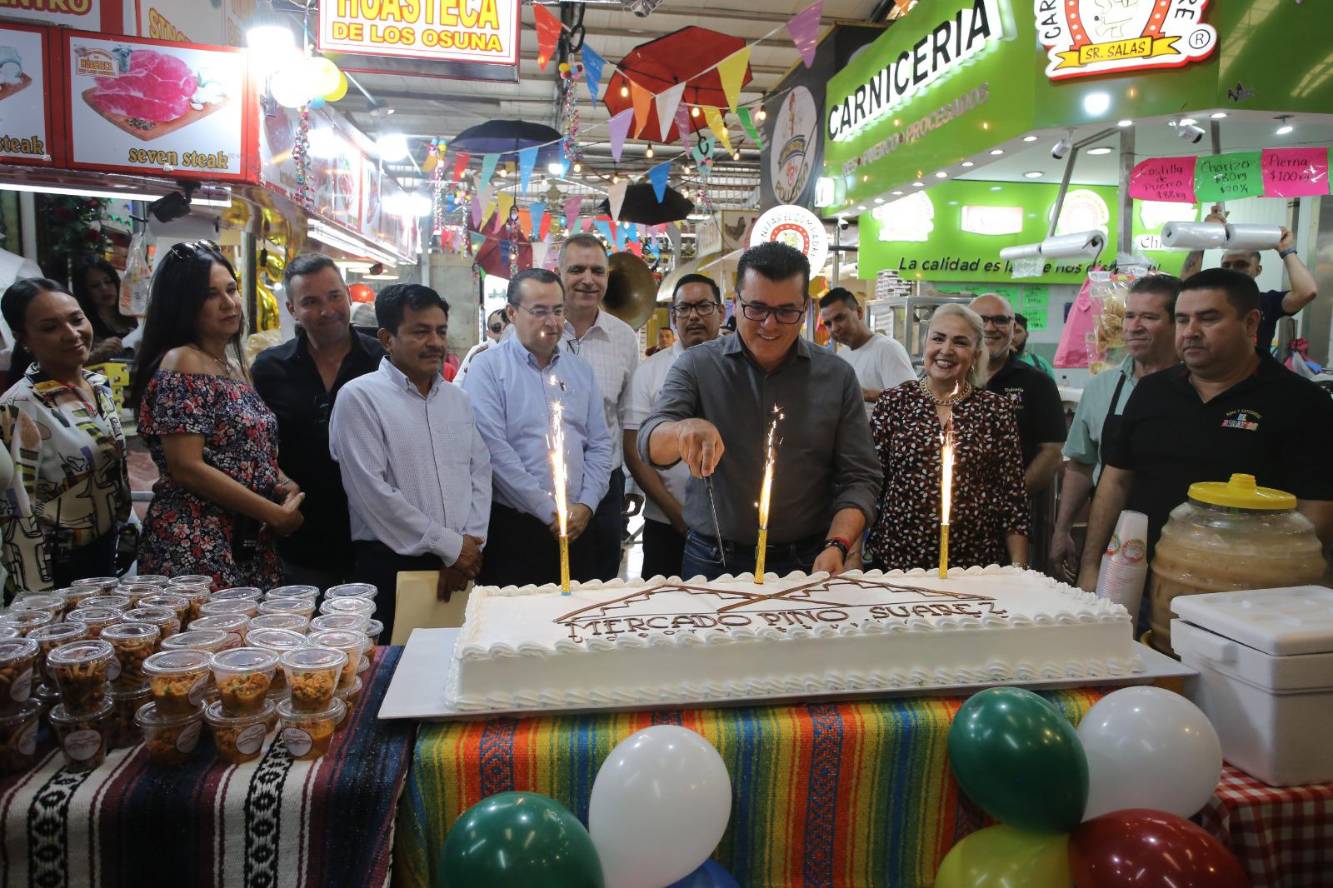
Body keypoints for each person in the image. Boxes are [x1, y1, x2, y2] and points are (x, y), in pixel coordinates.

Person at [1077, 268, 1333, 595]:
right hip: (1140, 583)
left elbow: (1316, 515)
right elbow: (1115, 482)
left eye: (1208, 319)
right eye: (1182, 320)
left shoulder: (1301, 402)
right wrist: (1092, 566)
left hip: (1244, 597)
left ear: (1251, 323)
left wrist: (1278, 587)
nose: (1191, 331)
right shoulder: (1152, 391)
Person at [639, 242, 882, 580]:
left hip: (810, 558)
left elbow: (861, 476)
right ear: (734, 305)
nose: (770, 324)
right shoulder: (697, 365)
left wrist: (839, 544)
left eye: (787, 312)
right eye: (757, 308)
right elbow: (649, 440)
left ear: (805, 310)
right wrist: (682, 431)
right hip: (714, 560)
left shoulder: (836, 376)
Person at [130, 241, 304, 589]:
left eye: (231, 290)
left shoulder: (233, 366)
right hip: (198, 541)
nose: (229, 303)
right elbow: (187, 468)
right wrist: (272, 514)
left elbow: (247, 447)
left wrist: (282, 481)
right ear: (183, 304)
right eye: (210, 295)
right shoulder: (182, 361)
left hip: (246, 535)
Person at [330, 284, 490, 636]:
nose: (435, 342)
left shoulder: (456, 400)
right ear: (387, 338)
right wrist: (451, 547)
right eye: (421, 331)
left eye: (441, 331)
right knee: (393, 674)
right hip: (392, 563)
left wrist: (469, 545)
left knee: (456, 668)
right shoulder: (359, 399)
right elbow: (372, 494)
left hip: (463, 563)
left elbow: (479, 472)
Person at [463, 268, 611, 587]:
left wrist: (586, 504)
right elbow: (496, 454)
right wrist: (550, 511)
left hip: (578, 526)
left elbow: (600, 444)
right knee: (516, 630)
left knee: (576, 626)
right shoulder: (488, 369)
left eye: (558, 311)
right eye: (540, 311)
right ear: (512, 313)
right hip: (518, 529)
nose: (553, 322)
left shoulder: (580, 372)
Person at [251, 253, 384, 588]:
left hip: (376, 536)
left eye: (334, 296)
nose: (327, 311)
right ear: (292, 309)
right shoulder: (270, 369)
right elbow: (256, 447)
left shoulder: (383, 362)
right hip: (299, 539)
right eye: (311, 301)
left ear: (349, 296)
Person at [868, 304, 1028, 571]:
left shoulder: (995, 410)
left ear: (976, 354)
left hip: (975, 567)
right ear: (925, 343)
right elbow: (870, 484)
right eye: (938, 338)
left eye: (960, 342)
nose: (946, 350)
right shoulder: (895, 402)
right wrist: (850, 553)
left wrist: (1020, 568)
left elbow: (1012, 498)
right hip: (898, 564)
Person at [0, 278, 130, 594]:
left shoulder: (97, 386)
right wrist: (38, 600)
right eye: (50, 327)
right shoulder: (19, 407)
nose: (72, 334)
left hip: (108, 555)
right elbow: (16, 511)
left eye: (76, 319)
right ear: (23, 338)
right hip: (58, 570)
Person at [1049, 275, 1180, 579]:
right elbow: (1081, 464)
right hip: (1109, 537)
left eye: (1149, 317)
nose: (1134, 326)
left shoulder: (1194, 389)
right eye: (1129, 316)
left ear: (1178, 323)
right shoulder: (1102, 387)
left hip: (1176, 539)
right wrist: (1062, 530)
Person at [623, 274, 723, 579]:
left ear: (721, 311)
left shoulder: (741, 366)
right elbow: (634, 448)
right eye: (684, 308)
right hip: (666, 522)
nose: (693, 315)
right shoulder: (649, 372)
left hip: (731, 527)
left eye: (704, 306)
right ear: (673, 316)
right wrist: (676, 513)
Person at [558, 234, 639, 580]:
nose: (588, 280)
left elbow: (626, 417)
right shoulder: (532, 331)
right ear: (558, 272)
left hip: (606, 488)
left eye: (597, 271)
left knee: (598, 588)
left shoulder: (624, 338)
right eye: (577, 269)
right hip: (542, 489)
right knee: (539, 589)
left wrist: (630, 485)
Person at [970, 292, 1066, 566]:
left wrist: (1010, 500)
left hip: (1013, 525)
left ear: (1014, 329)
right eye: (981, 320)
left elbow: (1052, 451)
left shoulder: (1037, 384)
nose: (990, 327)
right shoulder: (947, 379)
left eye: (1001, 320)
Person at [1182, 206, 1317, 353]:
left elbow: (1306, 292)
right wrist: (1204, 235)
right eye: (1226, 265)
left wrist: (1286, 249)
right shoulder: (1206, 301)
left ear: (1257, 270)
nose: (1232, 270)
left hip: (1256, 373)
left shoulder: (1267, 302)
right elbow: (1185, 288)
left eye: (1241, 265)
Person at [818, 287, 914, 417]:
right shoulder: (841, 357)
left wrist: (864, 394)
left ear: (859, 312)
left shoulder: (887, 349)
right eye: (828, 324)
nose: (834, 328)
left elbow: (911, 400)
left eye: (839, 318)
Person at [71, 256, 137, 365]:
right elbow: (69, 365)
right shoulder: (80, 323)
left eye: (108, 281)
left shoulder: (129, 315)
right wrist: (96, 354)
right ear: (85, 291)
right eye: (95, 286)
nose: (104, 288)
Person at [454, 308, 507, 384]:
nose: (503, 331)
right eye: (497, 327)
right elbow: (458, 384)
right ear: (489, 333)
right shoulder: (478, 351)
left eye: (508, 326)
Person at [1011, 313, 1056, 380]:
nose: (1013, 336)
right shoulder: (993, 363)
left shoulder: (1040, 363)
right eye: (1010, 331)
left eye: (1018, 331)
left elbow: (1052, 389)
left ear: (1026, 335)